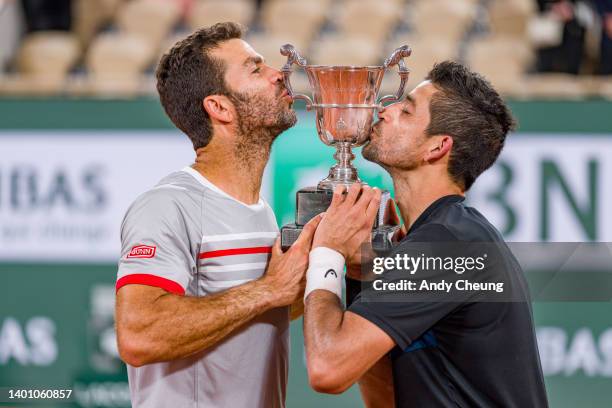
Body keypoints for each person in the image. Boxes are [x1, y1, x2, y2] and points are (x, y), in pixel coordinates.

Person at [302, 61, 549, 407]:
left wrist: (326, 253)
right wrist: (364, 276)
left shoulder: (449, 246)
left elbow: (326, 368)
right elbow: (385, 400)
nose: (385, 111)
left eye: (406, 110)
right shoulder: (445, 238)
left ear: (437, 148)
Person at [114, 22, 320, 408]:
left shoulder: (258, 208)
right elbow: (139, 335)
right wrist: (268, 289)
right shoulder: (167, 205)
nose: (280, 75)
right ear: (219, 107)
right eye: (256, 69)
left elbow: (251, 313)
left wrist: (325, 275)